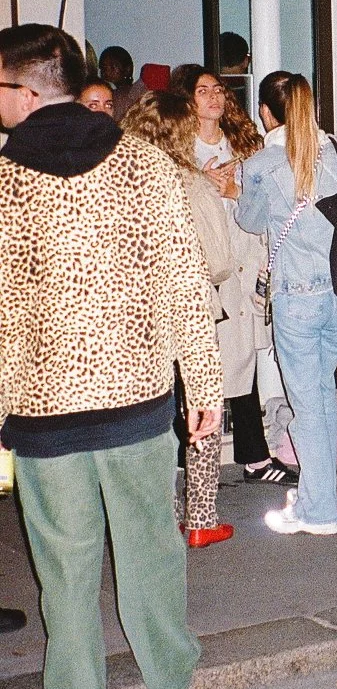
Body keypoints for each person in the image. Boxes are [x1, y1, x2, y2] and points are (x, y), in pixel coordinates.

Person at [0, 24, 221, 689]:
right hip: (136, 400)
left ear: (27, 92)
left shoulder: (4, 183)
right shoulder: (143, 165)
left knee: (64, 579)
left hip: (44, 413)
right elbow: (185, 283)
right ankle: (169, 674)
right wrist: (205, 390)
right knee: (150, 543)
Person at [237, 72, 337, 535]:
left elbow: (250, 221)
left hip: (297, 296)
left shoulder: (262, 163)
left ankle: (318, 511)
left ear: (266, 112)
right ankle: (320, 492)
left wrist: (236, 191)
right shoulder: (333, 150)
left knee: (307, 402)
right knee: (321, 396)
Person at [170, 64, 295, 488]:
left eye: (219, 90)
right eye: (203, 91)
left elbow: (267, 202)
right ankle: (191, 462)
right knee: (199, 370)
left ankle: (254, 457)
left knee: (243, 362)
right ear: (188, 100)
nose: (214, 97)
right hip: (201, 274)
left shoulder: (245, 145)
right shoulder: (177, 151)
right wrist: (201, 184)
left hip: (244, 265)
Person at [123, 91, 236, 546]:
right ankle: (202, 518)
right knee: (203, 410)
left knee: (154, 415)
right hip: (186, 311)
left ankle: (162, 517)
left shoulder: (114, 180)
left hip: (135, 319)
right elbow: (219, 260)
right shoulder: (184, 179)